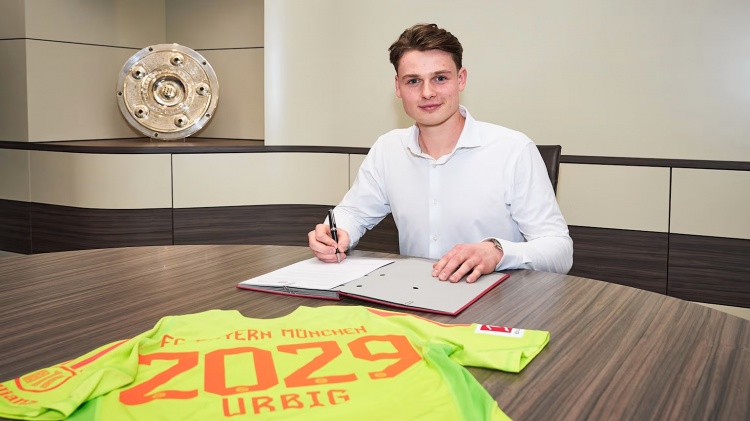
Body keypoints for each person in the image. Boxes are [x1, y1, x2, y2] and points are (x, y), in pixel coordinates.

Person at [308, 23, 573, 282]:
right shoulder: (388, 149)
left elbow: (559, 251)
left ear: (461, 79)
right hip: (413, 296)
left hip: (497, 300)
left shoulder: (513, 149)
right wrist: (335, 233)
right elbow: (354, 213)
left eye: (440, 78)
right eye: (413, 81)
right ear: (398, 87)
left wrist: (497, 251)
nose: (427, 93)